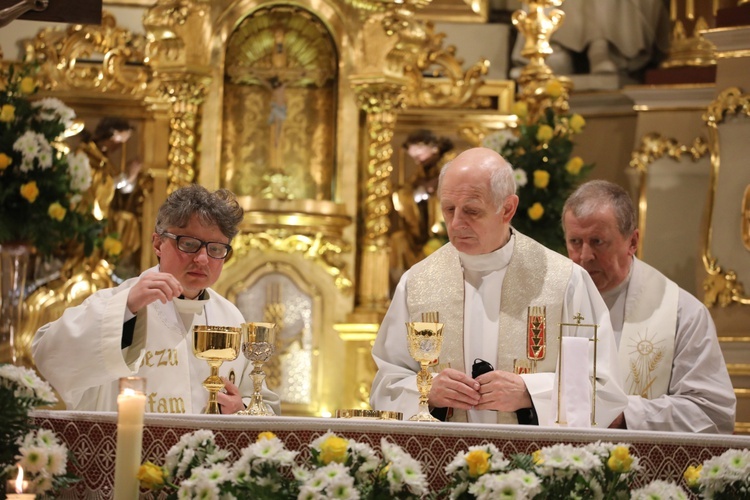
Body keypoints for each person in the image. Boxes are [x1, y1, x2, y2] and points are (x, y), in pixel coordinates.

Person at [370, 147, 627, 426]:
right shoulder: (417, 283)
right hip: (443, 460)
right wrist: (427, 390)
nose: (456, 223)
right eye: (449, 209)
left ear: (507, 209)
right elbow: (386, 384)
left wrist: (530, 393)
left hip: (534, 463)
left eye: (471, 211)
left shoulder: (565, 281)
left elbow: (604, 390)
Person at [32, 185, 281, 415]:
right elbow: (48, 354)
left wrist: (242, 407)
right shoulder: (119, 302)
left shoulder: (230, 317)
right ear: (159, 243)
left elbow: (263, 403)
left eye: (216, 249)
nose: (202, 259)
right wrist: (126, 310)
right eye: (189, 244)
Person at [562, 180, 736, 433]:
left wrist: (624, 416)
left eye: (598, 241)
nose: (585, 256)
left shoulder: (682, 313)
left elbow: (712, 413)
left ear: (632, 242)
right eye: (575, 242)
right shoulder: (550, 301)